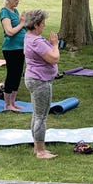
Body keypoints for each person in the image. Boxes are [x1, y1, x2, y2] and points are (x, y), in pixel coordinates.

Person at [23, 9, 60, 159]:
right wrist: (55, 45)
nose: (44, 26)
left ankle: (37, 147)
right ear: (36, 25)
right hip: (40, 81)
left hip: (34, 78)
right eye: (43, 24)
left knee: (37, 114)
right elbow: (54, 58)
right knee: (41, 116)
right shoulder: (36, 41)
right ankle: (40, 151)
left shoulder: (30, 37)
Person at [0, 0, 26, 111]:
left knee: (18, 74)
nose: (18, 0)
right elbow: (9, 31)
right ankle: (7, 104)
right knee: (11, 74)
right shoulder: (4, 12)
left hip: (21, 48)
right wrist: (21, 23)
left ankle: (13, 102)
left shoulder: (15, 11)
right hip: (11, 49)